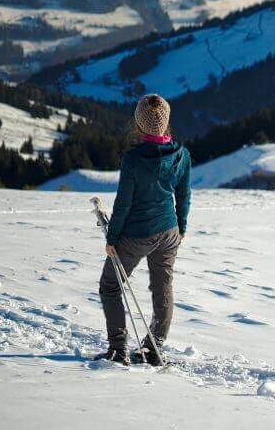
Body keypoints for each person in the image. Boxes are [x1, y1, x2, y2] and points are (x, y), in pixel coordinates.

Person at [97, 93, 191, 366]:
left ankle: (118, 350)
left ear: (139, 123)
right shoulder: (181, 155)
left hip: (136, 235)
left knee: (110, 286)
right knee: (163, 289)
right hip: (169, 230)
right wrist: (181, 228)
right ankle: (154, 348)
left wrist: (112, 237)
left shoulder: (133, 159)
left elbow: (124, 203)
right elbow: (184, 196)